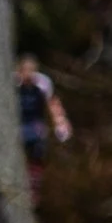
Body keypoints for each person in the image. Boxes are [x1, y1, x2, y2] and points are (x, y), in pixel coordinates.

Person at [16, 55, 72, 202]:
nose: (27, 73)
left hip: (35, 125)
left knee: (38, 152)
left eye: (30, 70)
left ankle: (34, 187)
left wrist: (60, 125)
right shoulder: (14, 85)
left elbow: (53, 105)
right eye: (24, 70)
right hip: (18, 127)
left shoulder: (42, 85)